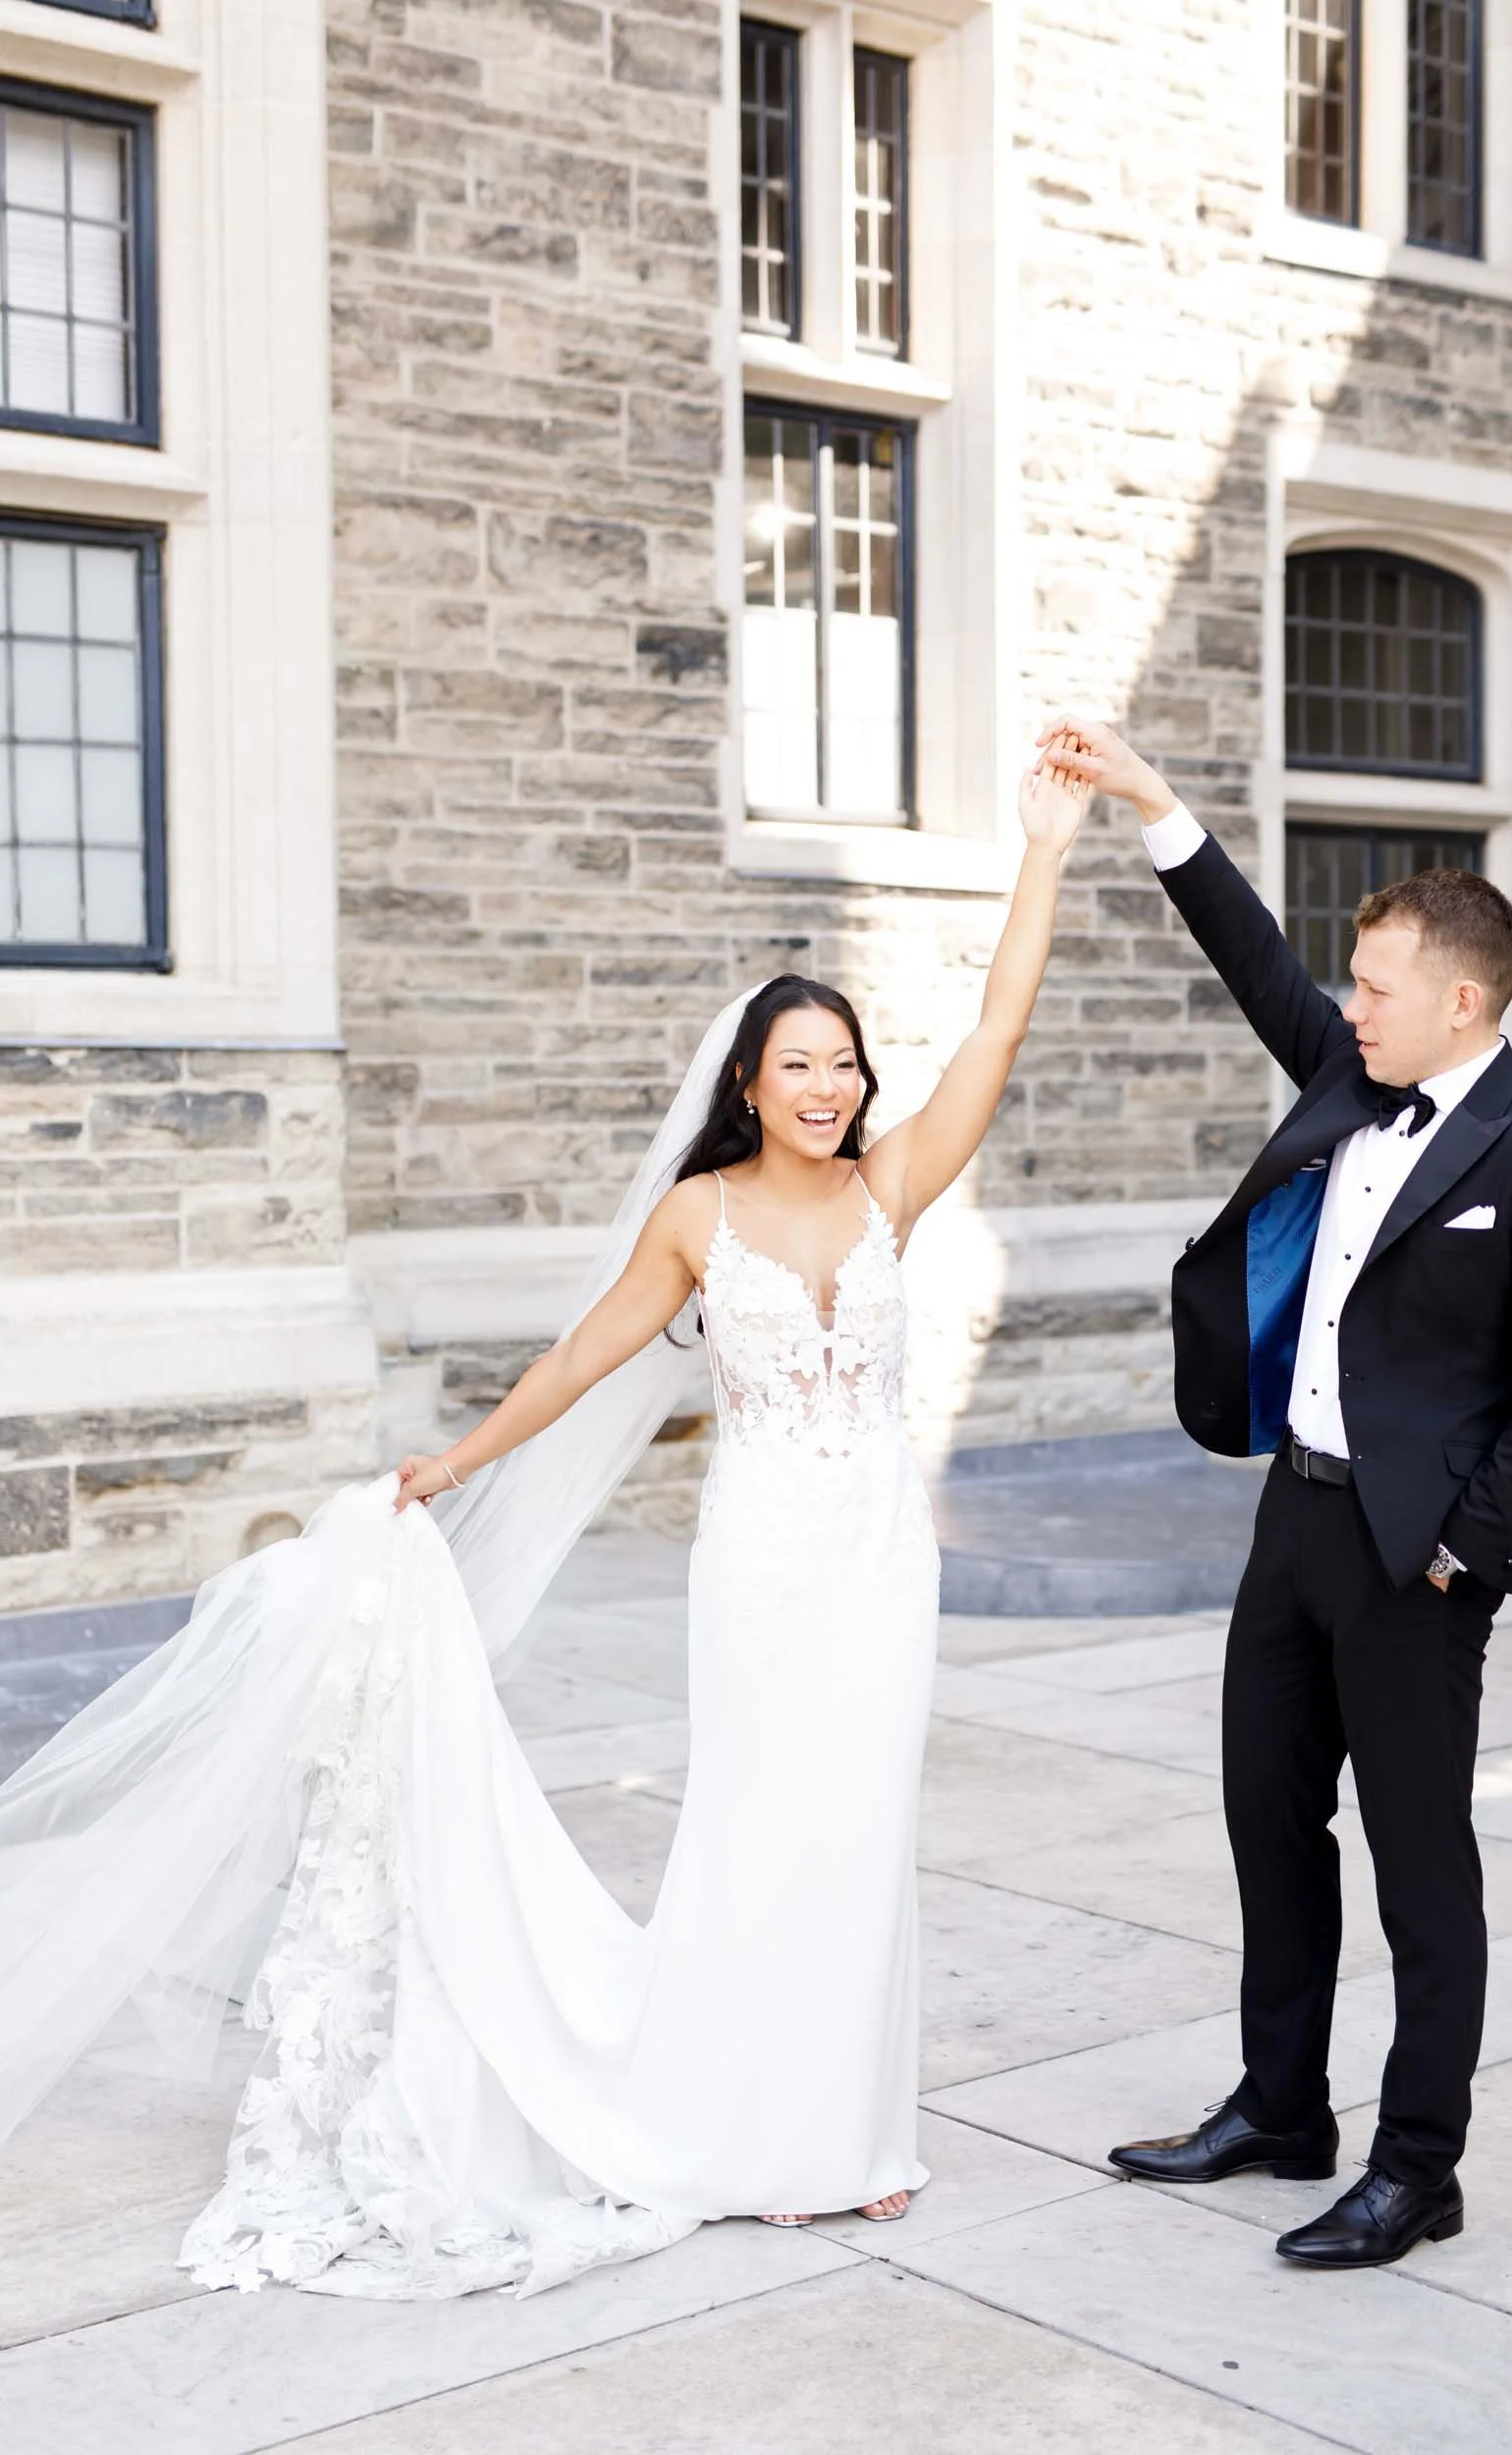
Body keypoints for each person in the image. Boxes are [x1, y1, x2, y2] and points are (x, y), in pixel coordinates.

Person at [0, 752, 1091, 2297]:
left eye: (842, 1061)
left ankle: (846, 2139)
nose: (828, 1086)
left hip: (876, 1566)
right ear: (746, 1087)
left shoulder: (889, 1188)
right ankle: (745, 2136)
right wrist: (450, 1464)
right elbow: (583, 1360)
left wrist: (1040, 848)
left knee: (864, 1837)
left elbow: (998, 1027)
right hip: (763, 1568)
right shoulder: (697, 1219)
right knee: (763, 1836)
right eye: (797, 1065)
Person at [1038, 716, 1512, 2270]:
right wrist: (1155, 804)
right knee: (1264, 1817)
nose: (1345, 1003)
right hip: (1292, 1521)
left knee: (1420, 1864)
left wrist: (1463, 1546)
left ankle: (1415, 2166)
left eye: (1372, 985)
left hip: (1412, 1558)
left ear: (1460, 999)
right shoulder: (1349, 1073)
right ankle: (1278, 2106)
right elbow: (1252, 960)